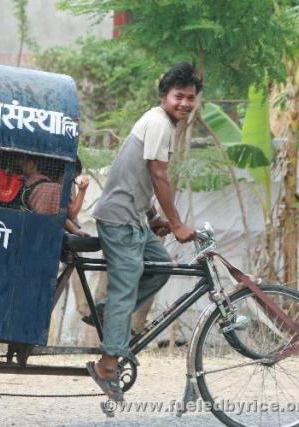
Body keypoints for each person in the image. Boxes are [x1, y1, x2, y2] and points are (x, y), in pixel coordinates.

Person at [87, 63, 201, 401]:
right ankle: (107, 367)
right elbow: (158, 175)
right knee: (126, 286)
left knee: (160, 264)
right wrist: (177, 223)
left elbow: (132, 177)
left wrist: (152, 216)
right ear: (164, 96)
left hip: (134, 218)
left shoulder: (159, 122)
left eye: (190, 98)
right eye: (178, 96)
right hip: (120, 219)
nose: (184, 103)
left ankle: (109, 314)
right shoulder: (158, 124)